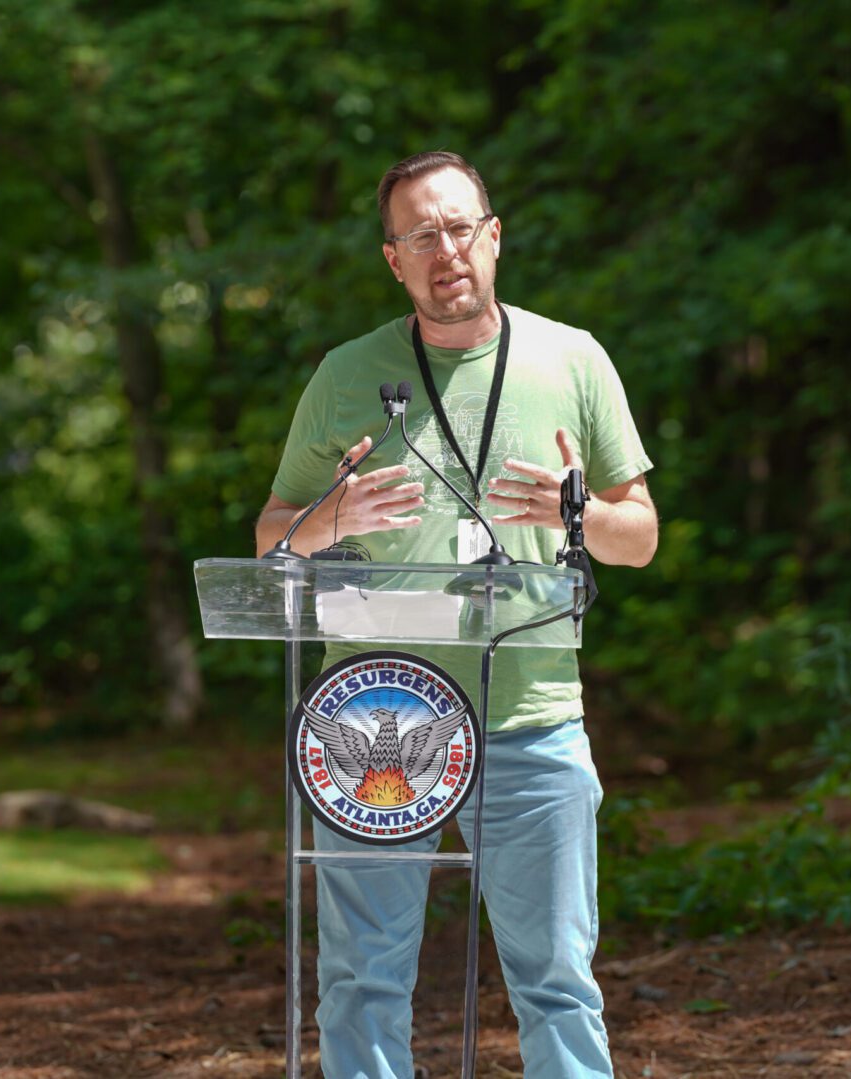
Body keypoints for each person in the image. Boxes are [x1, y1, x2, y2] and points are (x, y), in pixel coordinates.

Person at [255, 150, 657, 1079]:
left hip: (531, 715)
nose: (447, 251)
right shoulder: (346, 373)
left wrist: (576, 511)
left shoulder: (573, 357)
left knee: (556, 977)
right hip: (372, 713)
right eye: (421, 234)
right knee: (360, 977)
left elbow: (636, 537)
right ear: (393, 259)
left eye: (461, 227)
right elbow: (274, 531)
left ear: (495, 235)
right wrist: (332, 517)